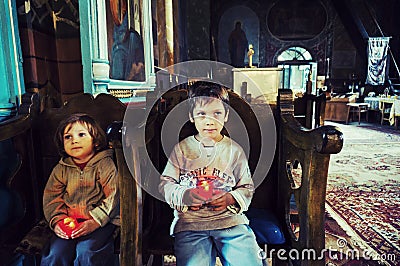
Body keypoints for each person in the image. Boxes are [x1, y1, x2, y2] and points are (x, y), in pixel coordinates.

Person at [159, 81, 263, 266]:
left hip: (229, 221)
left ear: (226, 115)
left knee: (249, 260)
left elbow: (247, 186)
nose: (210, 121)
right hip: (191, 224)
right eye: (202, 114)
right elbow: (166, 183)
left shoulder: (234, 151)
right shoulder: (182, 149)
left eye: (217, 113)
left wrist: (230, 198)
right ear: (192, 116)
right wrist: (185, 195)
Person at [41, 113, 119, 266]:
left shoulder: (104, 165)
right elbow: (51, 197)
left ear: (95, 141)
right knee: (55, 255)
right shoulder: (61, 169)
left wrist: (96, 220)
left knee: (87, 252)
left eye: (81, 134)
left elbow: (114, 196)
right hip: (69, 221)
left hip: (100, 221)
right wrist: (57, 221)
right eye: (68, 137)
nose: (74, 140)